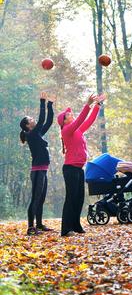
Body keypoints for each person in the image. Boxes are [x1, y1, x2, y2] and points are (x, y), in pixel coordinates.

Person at [58, 93, 106, 237]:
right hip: (70, 169)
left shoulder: (77, 130)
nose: (71, 114)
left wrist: (97, 105)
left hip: (78, 169)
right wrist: (87, 104)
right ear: (64, 121)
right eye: (68, 114)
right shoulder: (67, 130)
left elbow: (89, 120)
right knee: (71, 198)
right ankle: (66, 229)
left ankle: (76, 225)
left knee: (79, 198)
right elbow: (80, 119)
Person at [19, 92, 55, 236]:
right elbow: (41, 120)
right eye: (30, 119)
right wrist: (42, 102)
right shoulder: (31, 135)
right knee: (35, 198)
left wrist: (50, 105)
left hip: (43, 170)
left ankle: (39, 224)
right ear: (28, 126)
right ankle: (30, 227)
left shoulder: (37, 133)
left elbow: (48, 122)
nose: (33, 120)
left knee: (41, 198)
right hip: (37, 171)